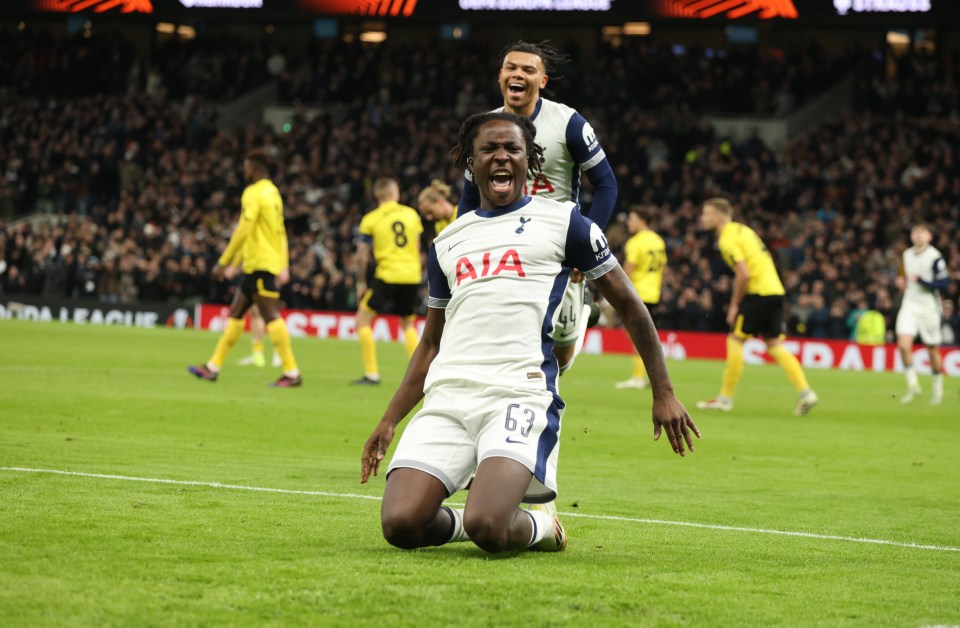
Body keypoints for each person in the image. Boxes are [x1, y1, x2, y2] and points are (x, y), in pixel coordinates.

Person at [360, 112, 698, 555]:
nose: (501, 157)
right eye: (489, 149)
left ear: (529, 160)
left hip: (518, 395)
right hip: (448, 399)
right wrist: (388, 421)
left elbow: (633, 308)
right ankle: (477, 514)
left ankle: (541, 525)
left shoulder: (564, 222)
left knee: (490, 528)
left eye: (512, 149)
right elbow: (430, 343)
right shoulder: (448, 241)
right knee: (401, 526)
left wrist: (664, 392)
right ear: (470, 162)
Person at [459, 40, 618, 376]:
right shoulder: (484, 128)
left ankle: (581, 309)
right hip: (504, 244)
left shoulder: (569, 123)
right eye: (512, 68)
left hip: (558, 245)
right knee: (510, 346)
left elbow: (606, 185)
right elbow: (470, 196)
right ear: (500, 76)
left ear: (542, 80)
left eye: (529, 69)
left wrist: (588, 245)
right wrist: (462, 245)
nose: (519, 74)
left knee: (560, 357)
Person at [187, 149, 301, 387]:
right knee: (236, 315)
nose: (244, 170)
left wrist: (224, 261)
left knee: (270, 315)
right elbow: (279, 232)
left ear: (255, 167)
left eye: (246, 166)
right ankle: (212, 366)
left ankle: (292, 372)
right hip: (259, 263)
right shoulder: (274, 193)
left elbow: (244, 229)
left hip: (260, 264)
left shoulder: (254, 192)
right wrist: (283, 263)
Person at [696, 197, 818, 415]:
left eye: (705, 213)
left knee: (735, 339)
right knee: (774, 344)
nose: (701, 217)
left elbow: (744, 274)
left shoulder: (726, 238)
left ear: (719, 216)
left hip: (758, 292)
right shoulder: (744, 230)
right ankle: (806, 392)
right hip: (775, 291)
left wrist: (734, 304)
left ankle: (724, 399)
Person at [352, 177, 424, 385]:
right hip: (412, 275)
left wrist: (360, 283)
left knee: (362, 321)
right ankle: (420, 374)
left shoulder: (371, 219)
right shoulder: (411, 215)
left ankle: (371, 374)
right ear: (395, 193)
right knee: (408, 324)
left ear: (378, 196)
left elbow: (361, 256)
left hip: (388, 275)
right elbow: (418, 247)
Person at [895, 223, 949, 405]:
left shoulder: (935, 257)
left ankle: (937, 387)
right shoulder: (907, 254)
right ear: (911, 236)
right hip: (909, 304)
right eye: (915, 232)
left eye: (922, 233)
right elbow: (905, 275)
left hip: (929, 307)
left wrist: (923, 281)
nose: (918, 235)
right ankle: (913, 386)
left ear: (929, 237)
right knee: (903, 345)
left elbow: (944, 284)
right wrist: (902, 282)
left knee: (932, 349)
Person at [616, 205, 667, 390]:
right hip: (653, 293)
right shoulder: (658, 241)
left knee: (637, 336)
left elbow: (625, 273)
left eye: (632, 218)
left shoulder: (635, 242)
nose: (629, 222)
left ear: (641, 220)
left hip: (637, 293)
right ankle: (644, 375)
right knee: (644, 336)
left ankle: (638, 376)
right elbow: (663, 269)